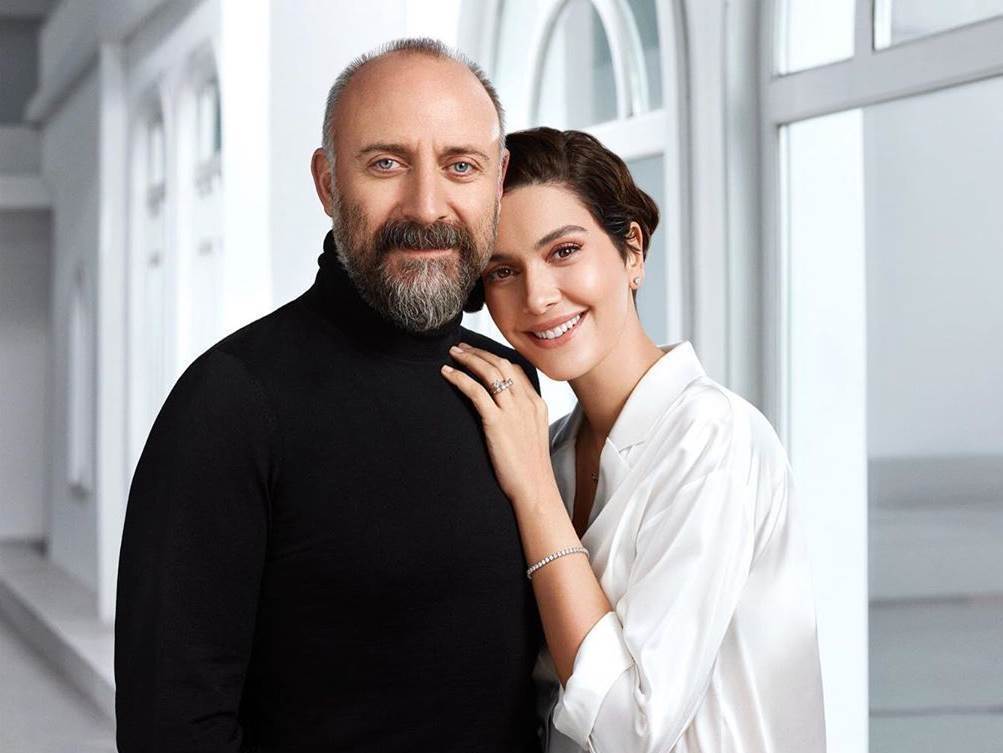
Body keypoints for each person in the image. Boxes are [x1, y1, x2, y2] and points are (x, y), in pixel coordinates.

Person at [115, 39, 545, 752]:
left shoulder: (510, 380)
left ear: (497, 181)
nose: (426, 205)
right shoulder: (230, 401)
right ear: (327, 183)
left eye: (460, 165)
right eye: (386, 163)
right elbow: (173, 725)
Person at [441, 127, 826, 753]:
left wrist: (533, 491)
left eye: (564, 251)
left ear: (633, 252)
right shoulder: (550, 450)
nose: (537, 296)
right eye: (503, 270)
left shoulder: (712, 438)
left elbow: (632, 731)